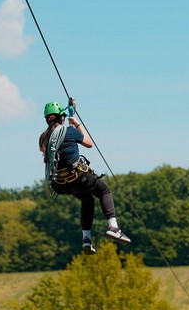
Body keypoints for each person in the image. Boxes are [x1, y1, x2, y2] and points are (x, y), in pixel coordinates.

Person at [38, 100, 131, 254]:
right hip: (78, 177)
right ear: (61, 117)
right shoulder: (69, 131)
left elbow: (57, 152)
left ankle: (86, 239)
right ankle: (114, 227)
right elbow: (89, 143)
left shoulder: (43, 138)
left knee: (87, 200)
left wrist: (70, 119)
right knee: (104, 191)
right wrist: (77, 124)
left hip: (61, 184)